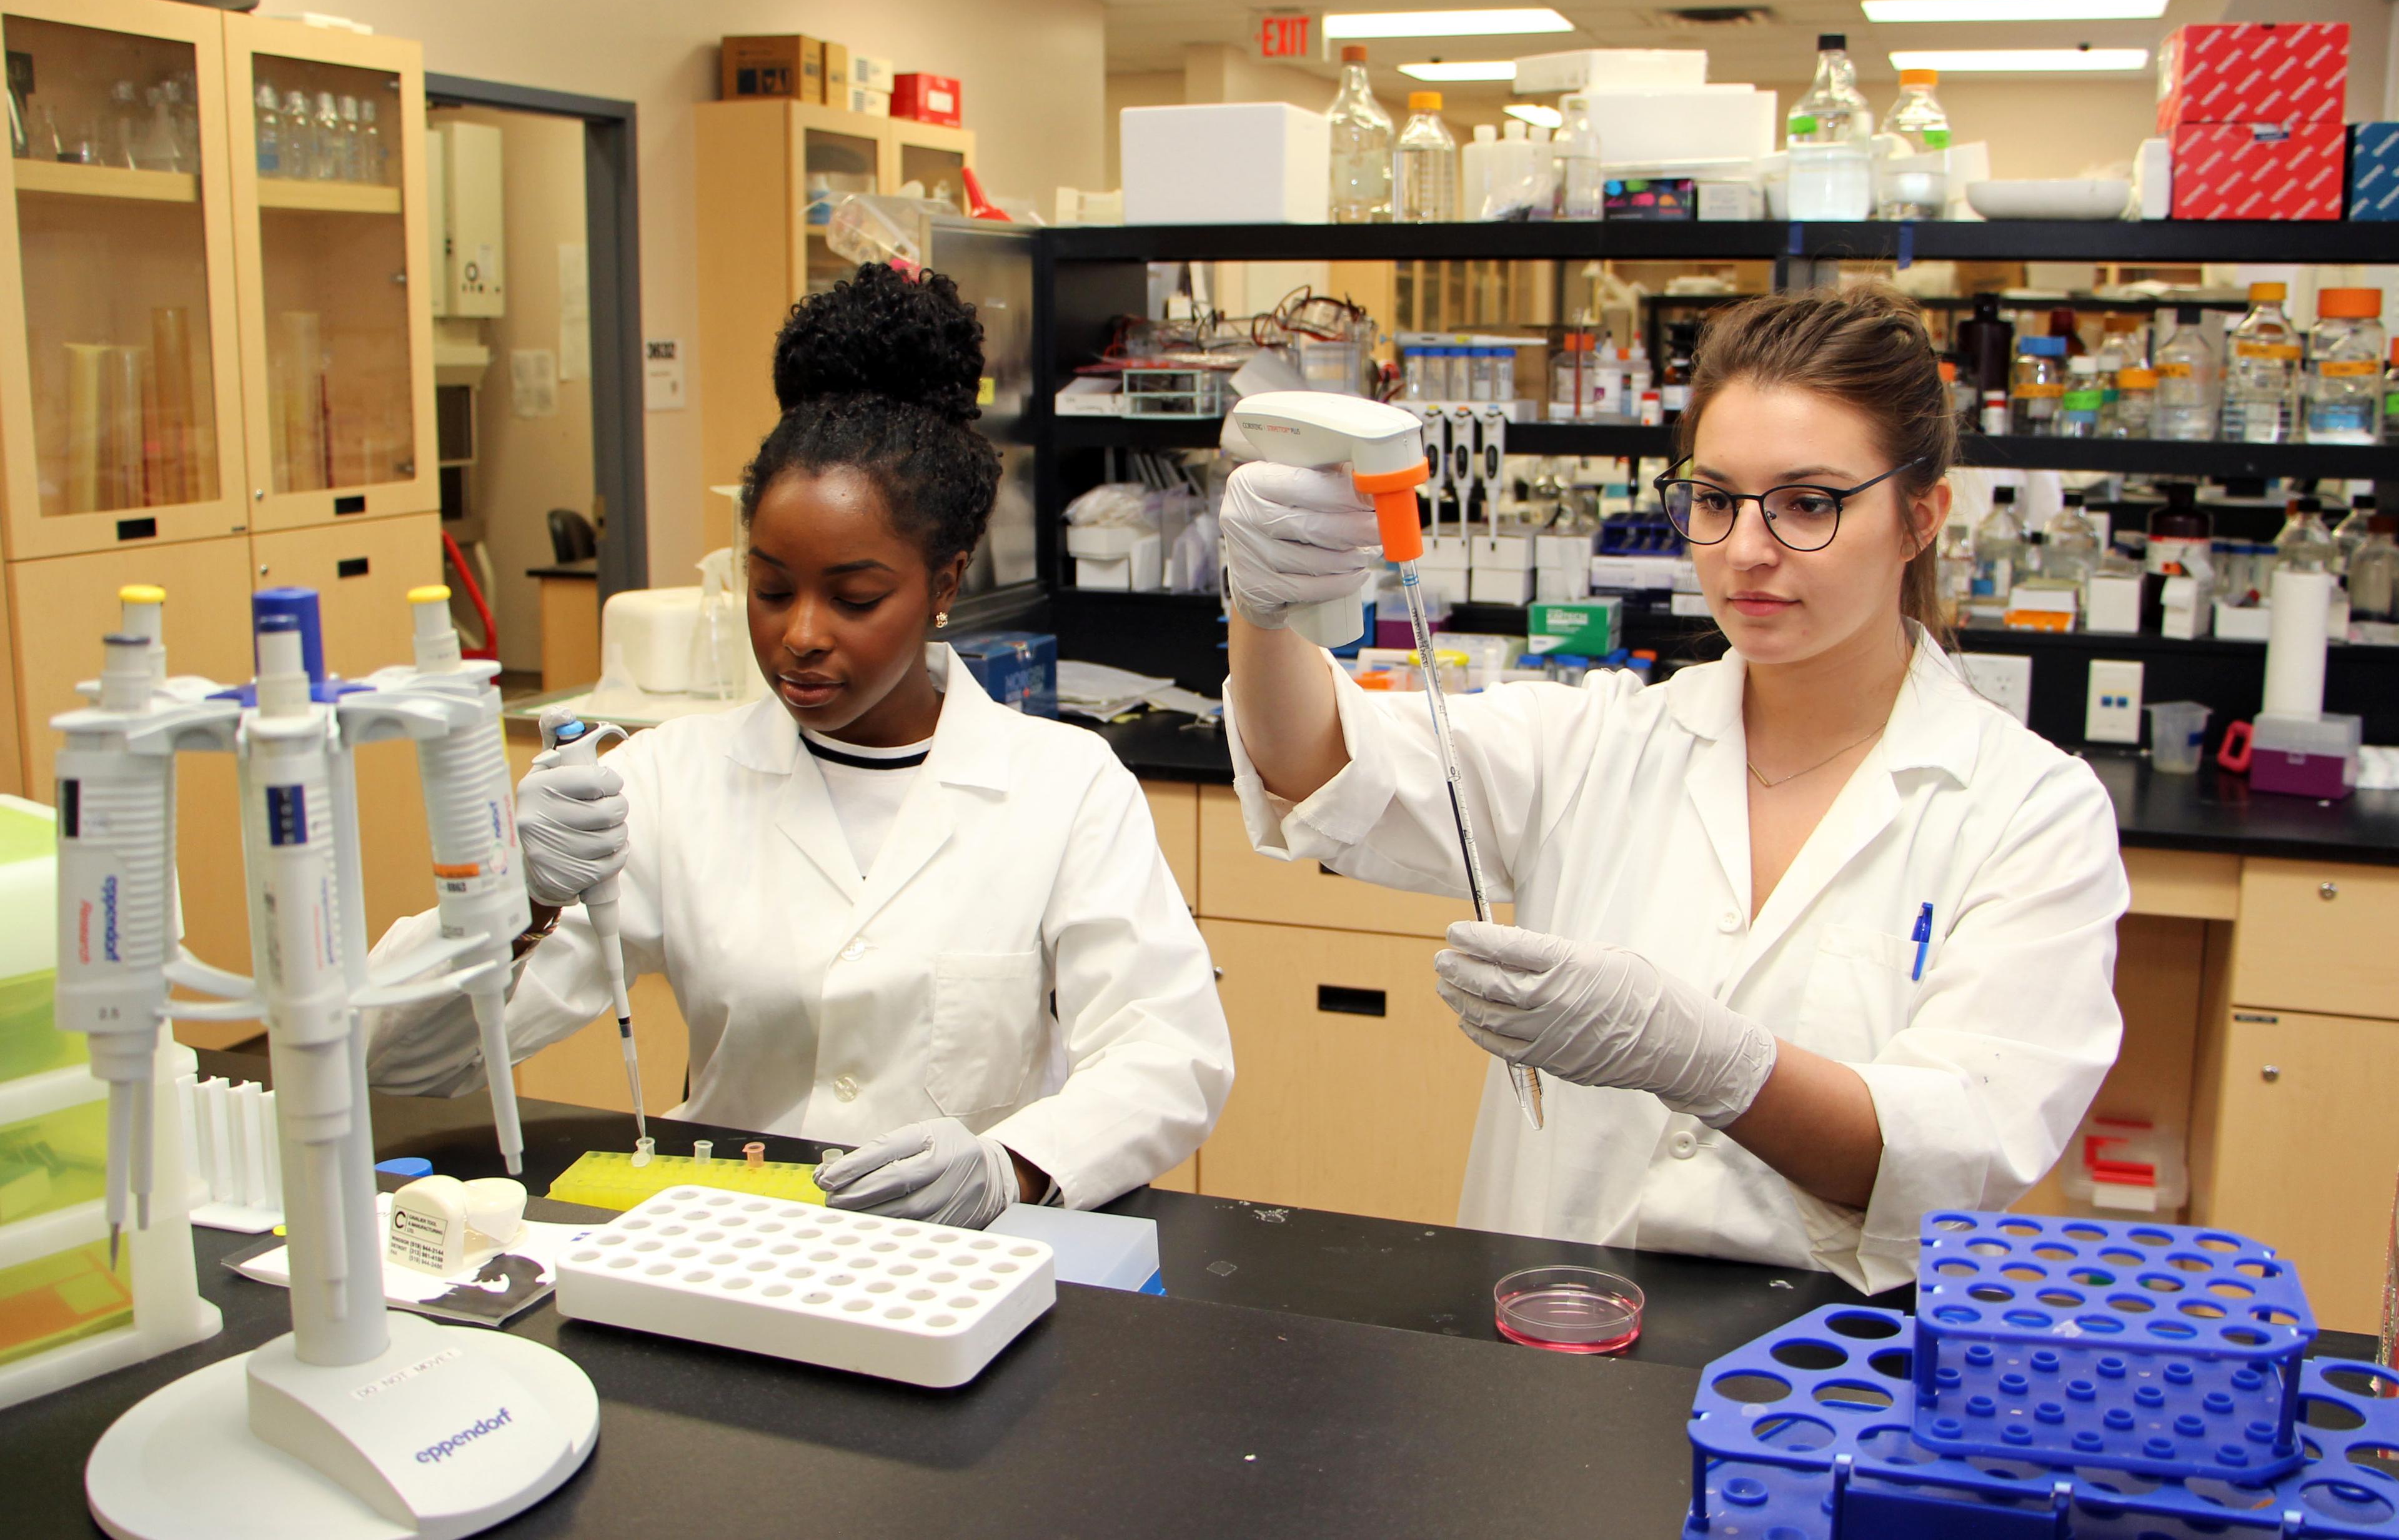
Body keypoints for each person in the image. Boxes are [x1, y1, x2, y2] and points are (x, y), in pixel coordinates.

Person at [1218, 286, 2123, 1291]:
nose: (1746, 549)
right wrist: (1266, 604)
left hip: (1816, 1387)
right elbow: (1320, 765)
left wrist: (1706, 1061)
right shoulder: (1603, 739)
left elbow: (1954, 1149)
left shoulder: (2031, 812)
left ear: (1920, 517)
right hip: (1546, 1352)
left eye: (1809, 502)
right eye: (1716, 497)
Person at [370, 264, 1233, 1227]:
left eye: (856, 597)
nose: (802, 633)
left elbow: (1169, 1053)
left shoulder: (1064, 787)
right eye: (772, 588)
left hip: (966, 1269)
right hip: (729, 1247)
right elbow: (407, 1062)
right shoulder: (667, 782)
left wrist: (1012, 1166)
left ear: (944, 580)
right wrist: (513, 894)